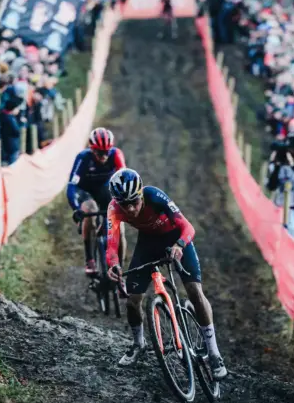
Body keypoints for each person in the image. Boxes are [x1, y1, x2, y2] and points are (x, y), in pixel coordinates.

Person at [104, 168, 227, 380]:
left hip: (176, 239)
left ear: (141, 194)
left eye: (135, 201)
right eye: (126, 205)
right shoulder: (114, 209)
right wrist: (114, 264)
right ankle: (138, 343)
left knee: (194, 292)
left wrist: (180, 245)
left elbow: (187, 226)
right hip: (148, 243)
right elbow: (111, 245)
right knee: (133, 301)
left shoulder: (154, 195)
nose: (131, 209)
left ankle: (214, 353)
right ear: (117, 202)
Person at [67, 128, 126, 274]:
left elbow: (124, 177)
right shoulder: (83, 158)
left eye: (107, 152)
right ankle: (90, 259)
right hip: (84, 191)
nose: (104, 156)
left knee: (119, 230)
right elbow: (71, 186)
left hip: (103, 190)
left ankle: (120, 272)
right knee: (90, 209)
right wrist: (76, 208)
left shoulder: (116, 154)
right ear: (92, 150)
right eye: (100, 152)